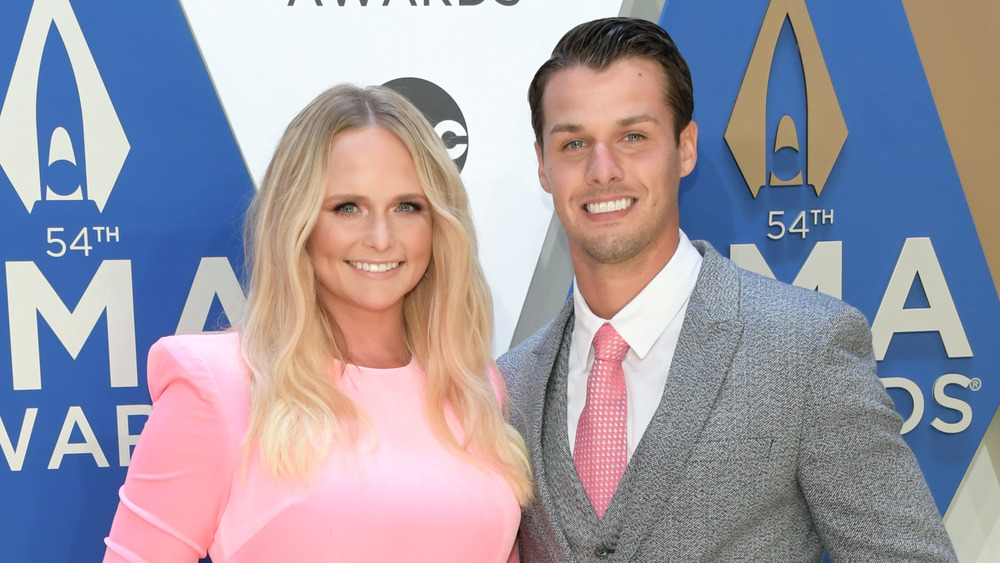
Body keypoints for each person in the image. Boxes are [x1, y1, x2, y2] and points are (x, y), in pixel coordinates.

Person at [498, 17, 957, 562]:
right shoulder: (509, 387)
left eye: (633, 137)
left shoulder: (805, 349)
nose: (603, 170)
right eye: (574, 143)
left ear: (685, 148)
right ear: (544, 166)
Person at [104, 84, 532, 562]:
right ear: (298, 223)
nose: (381, 237)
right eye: (347, 207)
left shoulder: (474, 386)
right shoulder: (219, 386)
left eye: (407, 207)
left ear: (438, 225)